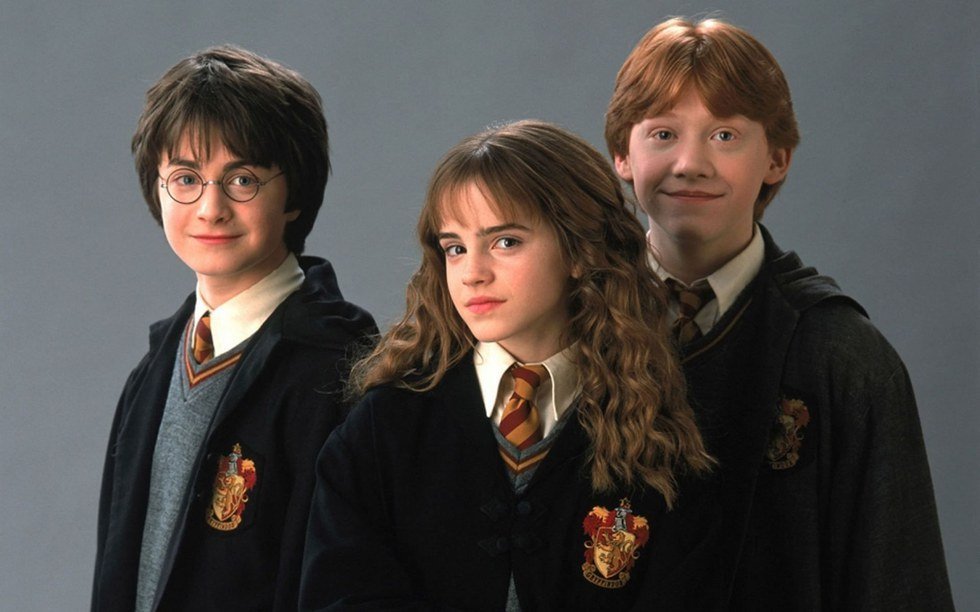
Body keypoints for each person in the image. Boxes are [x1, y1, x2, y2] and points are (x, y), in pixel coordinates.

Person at [605, 17, 953, 610]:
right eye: (662, 133)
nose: (690, 162)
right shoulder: (569, 326)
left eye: (725, 135)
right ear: (622, 155)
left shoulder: (843, 357)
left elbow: (900, 584)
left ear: (777, 158)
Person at [300, 120, 720, 611]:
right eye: (455, 248)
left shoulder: (666, 426)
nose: (473, 273)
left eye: (505, 242)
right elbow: (342, 595)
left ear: (579, 251)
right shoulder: (383, 425)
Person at [92, 45, 376, 612]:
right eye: (186, 178)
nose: (210, 208)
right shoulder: (155, 370)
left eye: (242, 179)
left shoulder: (344, 376)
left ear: (293, 194)